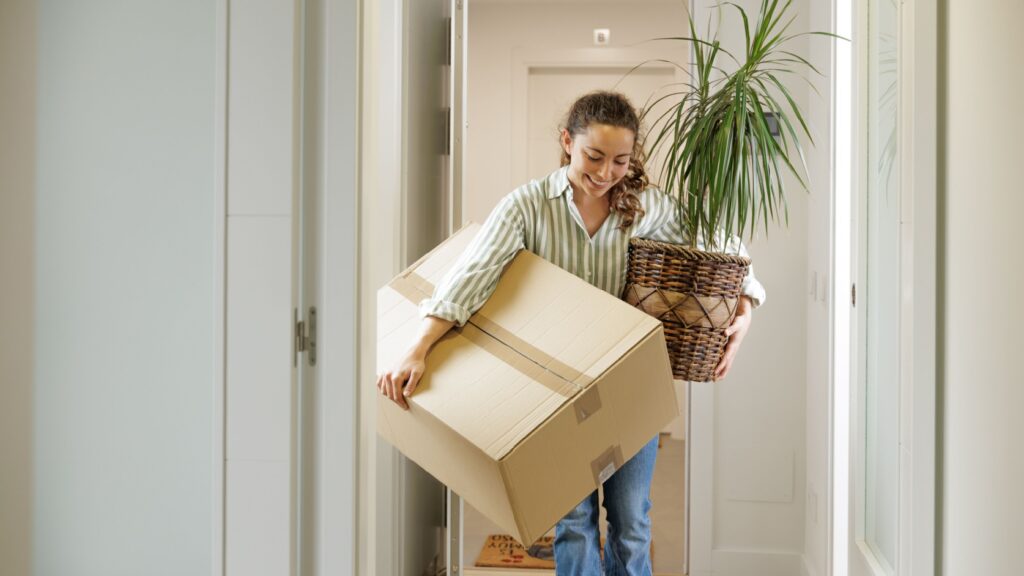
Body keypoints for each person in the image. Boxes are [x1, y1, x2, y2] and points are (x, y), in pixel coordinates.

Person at [377, 90, 766, 576]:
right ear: (567, 142)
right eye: (594, 156)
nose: (606, 173)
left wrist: (746, 306)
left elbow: (718, 238)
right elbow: (471, 274)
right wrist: (420, 346)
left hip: (629, 390)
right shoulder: (528, 206)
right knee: (573, 522)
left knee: (632, 524)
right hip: (557, 397)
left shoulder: (645, 206)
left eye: (621, 161)